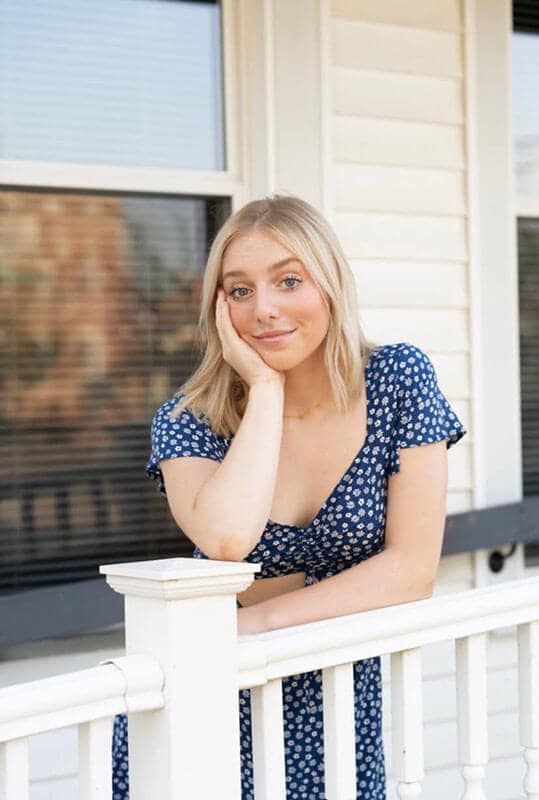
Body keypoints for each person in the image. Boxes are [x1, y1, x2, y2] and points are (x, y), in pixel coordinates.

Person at [111, 194, 467, 799]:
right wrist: (265, 390)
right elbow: (227, 540)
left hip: (332, 695)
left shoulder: (397, 380)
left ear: (329, 286)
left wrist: (258, 626)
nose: (265, 310)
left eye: (289, 280)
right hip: (210, 702)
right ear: (218, 307)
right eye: (240, 290)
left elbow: (412, 570)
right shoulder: (188, 421)